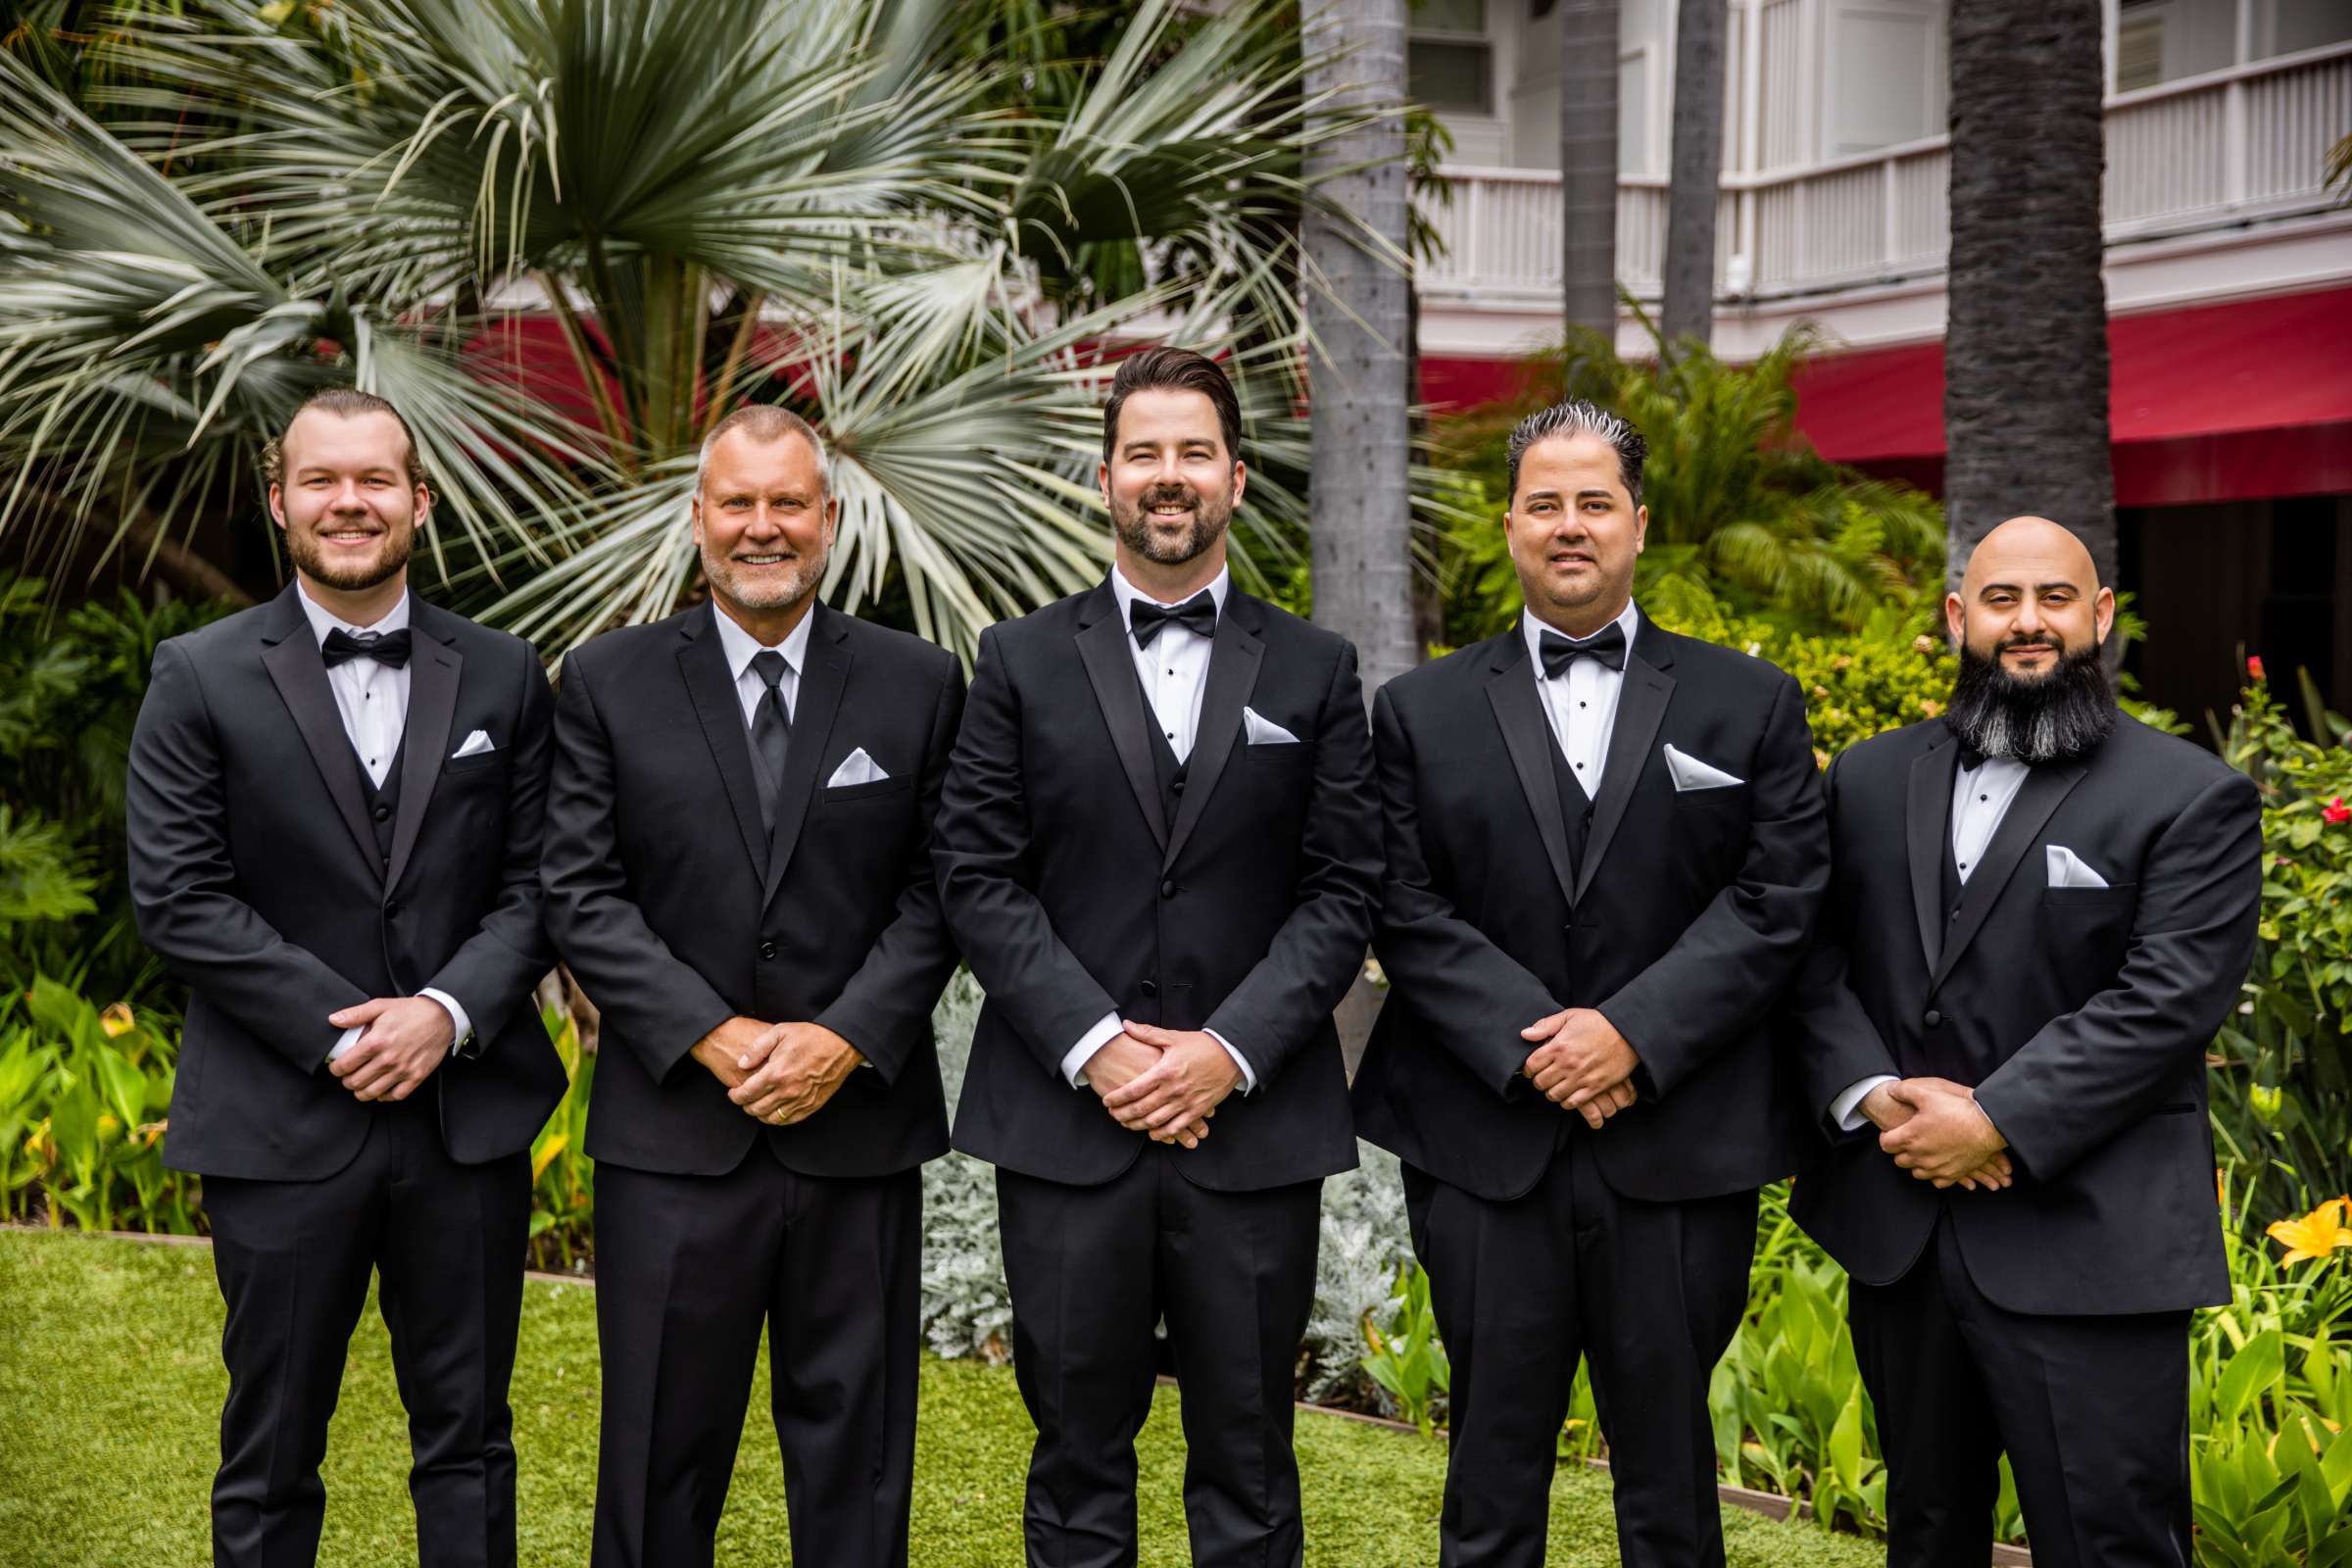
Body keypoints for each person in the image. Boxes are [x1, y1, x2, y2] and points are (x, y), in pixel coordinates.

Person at [1351, 399, 1830, 1567]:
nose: (1571, 526)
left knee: (1672, 1477)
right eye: (1546, 503)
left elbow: (1779, 897)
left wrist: (1630, 1034)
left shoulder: (1748, 702)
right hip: (1483, 1143)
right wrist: (1539, 1047)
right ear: (1510, 525)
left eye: (1595, 503)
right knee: (1490, 1469)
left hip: (1679, 1141)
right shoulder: (1418, 710)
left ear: (1638, 523)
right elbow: (1401, 903)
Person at [932, 345, 1382, 1567]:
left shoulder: (1317, 669)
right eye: (1145, 454)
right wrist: (1100, 1046)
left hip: (1253, 1130)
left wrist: (1227, 1052)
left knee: (1249, 1458)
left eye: (1194, 453)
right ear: (1106, 476)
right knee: (1077, 1456)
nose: (1168, 476)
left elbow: (1345, 888)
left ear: (1236, 478)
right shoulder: (1016, 661)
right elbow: (976, 874)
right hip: (1066, 1129)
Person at [127, 386, 563, 1568]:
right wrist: (346, 1034)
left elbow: (541, 886)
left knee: (469, 1443)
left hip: (463, 1123)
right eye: (321, 479)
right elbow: (179, 896)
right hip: (278, 1120)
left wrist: (446, 1013)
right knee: (270, 1448)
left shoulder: (506, 674)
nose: (349, 501)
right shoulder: (198, 672)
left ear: (420, 502)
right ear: (279, 503)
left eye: (376, 479)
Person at [1786, 514, 2263, 1567]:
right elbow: (1811, 960)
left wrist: (1995, 1119)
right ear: (1960, 618)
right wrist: (1871, 1095)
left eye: (2055, 598)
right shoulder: (1865, 779)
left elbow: (2168, 1000)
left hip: (2093, 1245)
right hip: (1901, 1235)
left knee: (2108, 1544)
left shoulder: (2191, 796)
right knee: (1924, 1531)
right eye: (2002, 599)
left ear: (2099, 616)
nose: (2028, 622)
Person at [541, 404, 963, 1568]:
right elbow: (579, 891)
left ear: (830, 521)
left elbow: (945, 889)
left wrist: (844, 1037)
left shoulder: (918, 683)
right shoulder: (608, 680)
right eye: (738, 503)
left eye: (788, 503)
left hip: (859, 1136)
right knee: (655, 1473)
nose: (762, 527)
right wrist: (715, 1036)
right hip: (675, 1136)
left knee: (858, 1471)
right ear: (698, 520)